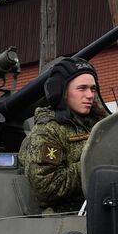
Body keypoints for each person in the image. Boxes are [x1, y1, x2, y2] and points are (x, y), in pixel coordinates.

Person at [19, 57, 108, 212]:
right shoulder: (48, 131)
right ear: (62, 91)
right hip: (66, 216)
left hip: (107, 207)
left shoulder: (100, 125)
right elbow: (46, 186)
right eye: (82, 88)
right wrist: (94, 165)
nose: (90, 95)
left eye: (93, 89)